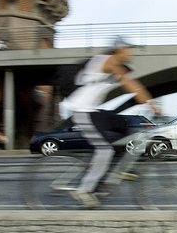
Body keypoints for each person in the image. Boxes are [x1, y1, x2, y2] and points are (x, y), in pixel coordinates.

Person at [65, 36, 158, 208]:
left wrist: (146, 102)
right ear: (119, 50)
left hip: (92, 111)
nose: (131, 53)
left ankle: (115, 167)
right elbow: (130, 83)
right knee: (104, 150)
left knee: (123, 123)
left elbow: (130, 82)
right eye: (128, 49)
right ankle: (84, 190)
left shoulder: (113, 63)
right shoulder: (109, 62)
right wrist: (150, 104)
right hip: (82, 111)